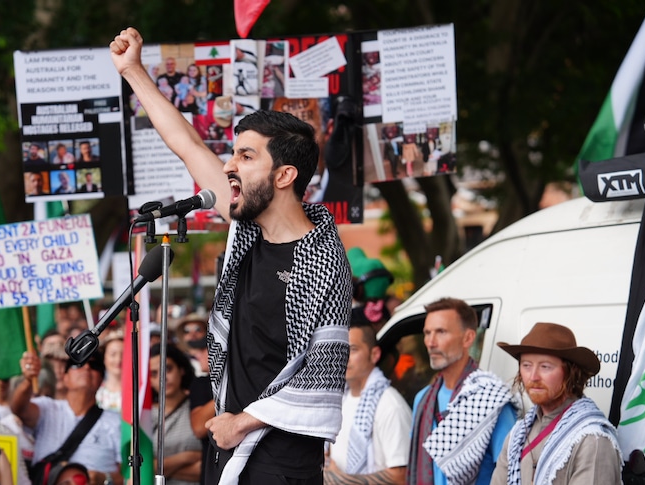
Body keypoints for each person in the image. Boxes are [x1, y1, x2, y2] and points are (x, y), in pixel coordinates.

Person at [111, 28, 352, 484]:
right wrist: (133, 71)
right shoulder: (246, 233)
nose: (228, 167)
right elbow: (189, 146)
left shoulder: (323, 259)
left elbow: (323, 374)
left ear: (283, 176)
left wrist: (244, 422)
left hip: (279, 464)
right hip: (226, 451)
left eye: (245, 156)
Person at [490, 322, 622, 484]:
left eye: (545, 367)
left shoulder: (591, 440)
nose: (533, 377)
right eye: (526, 366)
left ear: (570, 373)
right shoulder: (517, 436)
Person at [409, 297, 516, 485]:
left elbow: (511, 471)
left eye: (441, 332)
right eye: (427, 333)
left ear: (468, 338)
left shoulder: (489, 398)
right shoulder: (423, 399)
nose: (430, 342)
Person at [12, 350, 122, 485]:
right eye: (78, 363)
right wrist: (28, 380)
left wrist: (106, 478)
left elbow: (131, 473)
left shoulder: (116, 422)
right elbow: (19, 410)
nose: (87, 367)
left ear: (101, 380)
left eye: (94, 366)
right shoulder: (47, 408)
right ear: (65, 378)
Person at [325, 321, 411, 483]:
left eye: (353, 349)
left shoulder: (390, 405)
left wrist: (338, 480)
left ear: (375, 354)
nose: (344, 357)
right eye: (341, 349)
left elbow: (402, 476)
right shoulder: (341, 400)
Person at [150, 345, 202, 485]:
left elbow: (203, 469)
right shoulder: (144, 416)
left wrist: (157, 469)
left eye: (167, 369)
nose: (162, 378)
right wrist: (187, 457)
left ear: (182, 369)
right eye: (154, 374)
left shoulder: (198, 409)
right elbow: (140, 467)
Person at [94, 334, 122, 412]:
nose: (118, 360)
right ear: (104, 357)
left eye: (123, 354)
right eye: (113, 355)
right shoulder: (95, 390)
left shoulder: (137, 391)